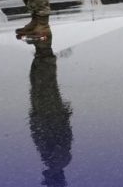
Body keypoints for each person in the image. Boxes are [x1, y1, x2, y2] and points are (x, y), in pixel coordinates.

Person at [28, 39, 73, 187]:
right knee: (44, 82)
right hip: (49, 115)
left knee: (39, 81)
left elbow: (62, 135)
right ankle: (43, 46)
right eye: (47, 182)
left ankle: (42, 48)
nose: (44, 178)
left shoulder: (55, 161)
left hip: (45, 115)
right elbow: (61, 135)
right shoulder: (58, 161)